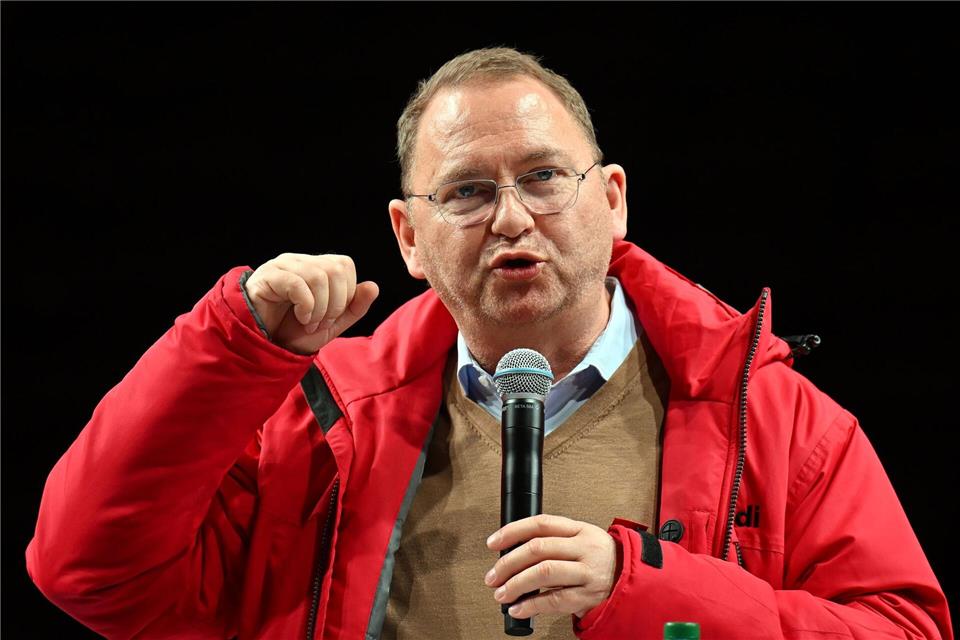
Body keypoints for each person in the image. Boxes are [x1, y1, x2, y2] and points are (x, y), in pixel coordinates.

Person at [27, 47, 952, 640]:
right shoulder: (314, 422)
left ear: (614, 197)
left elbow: (906, 633)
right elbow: (89, 573)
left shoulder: (779, 417)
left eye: (545, 176)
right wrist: (232, 346)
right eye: (465, 192)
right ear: (408, 239)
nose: (513, 216)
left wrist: (644, 590)